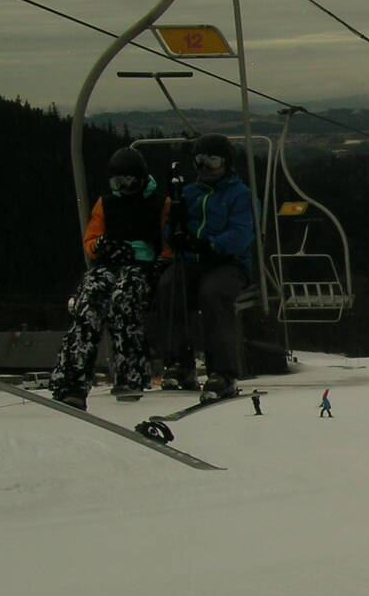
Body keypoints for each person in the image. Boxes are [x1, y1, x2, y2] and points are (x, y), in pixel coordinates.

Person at [49, 147, 173, 410]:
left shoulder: (159, 204)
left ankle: (130, 374)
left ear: (140, 179)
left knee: (122, 301)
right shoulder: (106, 204)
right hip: (109, 265)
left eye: (128, 181)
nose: (123, 188)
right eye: (117, 182)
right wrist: (101, 247)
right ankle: (72, 380)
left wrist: (157, 262)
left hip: (142, 267)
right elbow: (91, 239)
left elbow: (168, 243)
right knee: (88, 305)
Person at [157, 134, 255, 399]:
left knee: (213, 294)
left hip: (228, 264)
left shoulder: (239, 194)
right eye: (199, 161)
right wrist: (175, 234)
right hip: (193, 262)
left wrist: (210, 244)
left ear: (226, 163)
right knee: (169, 287)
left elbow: (242, 234)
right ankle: (179, 363)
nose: (205, 168)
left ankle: (223, 372)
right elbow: (170, 229)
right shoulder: (189, 193)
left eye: (212, 161)